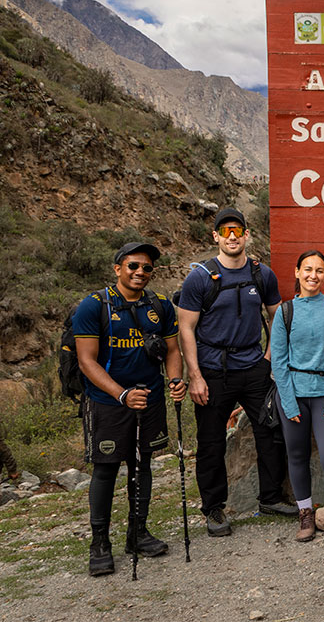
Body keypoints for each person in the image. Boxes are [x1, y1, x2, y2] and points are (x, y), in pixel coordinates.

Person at [73, 242, 187, 576]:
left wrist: (175, 380)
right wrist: (121, 395)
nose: (140, 272)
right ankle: (99, 543)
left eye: (147, 268)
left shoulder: (160, 304)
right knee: (105, 469)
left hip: (149, 398)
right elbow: (86, 360)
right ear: (117, 268)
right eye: (133, 266)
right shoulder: (94, 306)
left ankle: (137, 533)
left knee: (143, 464)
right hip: (108, 402)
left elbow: (172, 349)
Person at [177, 207, 293, 537]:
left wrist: (269, 359)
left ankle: (270, 497)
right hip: (213, 371)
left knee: (271, 431)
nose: (232, 236)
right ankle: (214, 509)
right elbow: (186, 327)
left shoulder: (261, 274)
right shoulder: (200, 278)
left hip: (254, 366)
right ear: (215, 236)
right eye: (225, 231)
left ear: (246, 234)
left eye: (237, 230)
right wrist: (195, 375)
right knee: (211, 442)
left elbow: (278, 318)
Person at [270, 250, 324, 553]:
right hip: (293, 393)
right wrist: (289, 402)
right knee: (297, 454)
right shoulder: (285, 311)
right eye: (307, 269)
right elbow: (278, 359)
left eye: (319, 270)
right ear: (297, 272)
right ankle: (305, 514)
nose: (313, 275)